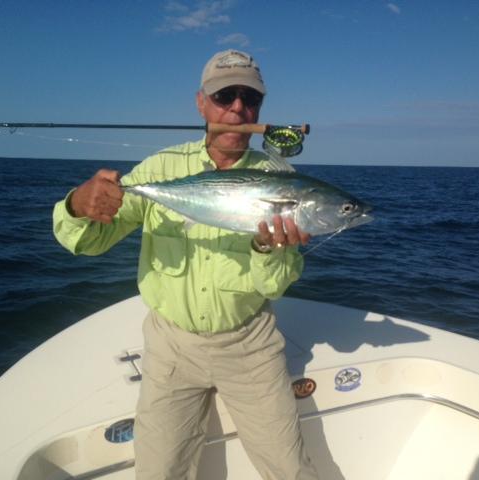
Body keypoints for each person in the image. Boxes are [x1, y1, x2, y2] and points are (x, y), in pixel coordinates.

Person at [53, 49, 319, 479]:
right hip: (170, 349)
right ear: (201, 102)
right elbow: (88, 243)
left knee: (292, 470)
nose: (237, 109)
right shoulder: (161, 168)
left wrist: (270, 249)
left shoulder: (280, 180)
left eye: (249, 100)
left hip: (250, 348)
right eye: (224, 96)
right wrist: (79, 206)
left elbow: (273, 288)